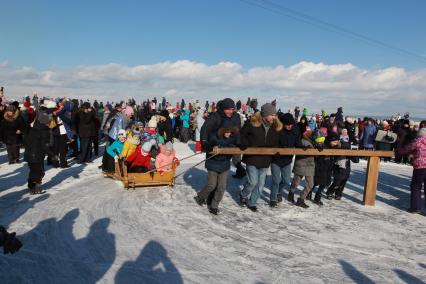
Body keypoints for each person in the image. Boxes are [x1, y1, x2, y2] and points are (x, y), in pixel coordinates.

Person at [239, 103, 282, 212]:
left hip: (265, 159)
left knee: (260, 184)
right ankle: (243, 195)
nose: (274, 117)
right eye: (272, 115)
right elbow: (241, 135)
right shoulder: (252, 123)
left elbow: (276, 142)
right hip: (252, 157)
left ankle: (252, 202)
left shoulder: (275, 127)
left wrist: (276, 151)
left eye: (275, 115)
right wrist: (243, 142)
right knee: (253, 181)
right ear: (265, 114)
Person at [195, 126, 238, 215]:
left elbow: (235, 148)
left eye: (230, 132)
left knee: (221, 187)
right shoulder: (214, 137)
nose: (228, 134)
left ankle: (214, 206)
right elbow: (207, 147)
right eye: (227, 131)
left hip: (224, 165)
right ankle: (201, 196)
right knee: (212, 185)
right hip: (213, 164)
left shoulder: (232, 140)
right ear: (222, 131)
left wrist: (233, 150)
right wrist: (213, 148)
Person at [270, 112, 301, 207]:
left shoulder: (295, 131)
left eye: (291, 124)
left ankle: (279, 192)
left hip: (287, 160)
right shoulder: (277, 130)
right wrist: (276, 150)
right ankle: (273, 198)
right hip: (276, 159)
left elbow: (297, 142)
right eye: (287, 124)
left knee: (286, 180)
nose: (289, 126)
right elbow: (272, 142)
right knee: (276, 180)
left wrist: (303, 146)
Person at [24, 107, 55, 194]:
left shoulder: (34, 128)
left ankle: (31, 186)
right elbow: (44, 146)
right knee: (39, 172)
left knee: (34, 171)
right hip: (37, 154)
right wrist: (53, 155)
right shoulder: (44, 131)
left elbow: (26, 140)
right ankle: (35, 187)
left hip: (29, 153)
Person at [397, 128, 426, 213]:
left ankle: (415, 207)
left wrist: (399, 150)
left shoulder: (418, 141)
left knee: (416, 186)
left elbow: (406, 149)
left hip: (420, 166)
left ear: (419, 134)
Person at [326, 132, 360, 200]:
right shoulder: (332, 147)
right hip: (337, 166)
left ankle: (338, 194)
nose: (335, 143)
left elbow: (354, 158)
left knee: (343, 181)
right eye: (333, 142)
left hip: (346, 165)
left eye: (336, 141)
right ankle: (330, 191)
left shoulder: (346, 145)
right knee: (337, 181)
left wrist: (355, 155)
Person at [288, 125, 315, 208]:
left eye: (309, 131)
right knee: (296, 182)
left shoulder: (313, 140)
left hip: (310, 165)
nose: (308, 133)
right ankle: (291, 193)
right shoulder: (301, 141)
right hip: (301, 164)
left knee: (310, 184)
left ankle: (301, 199)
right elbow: (299, 150)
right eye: (307, 131)